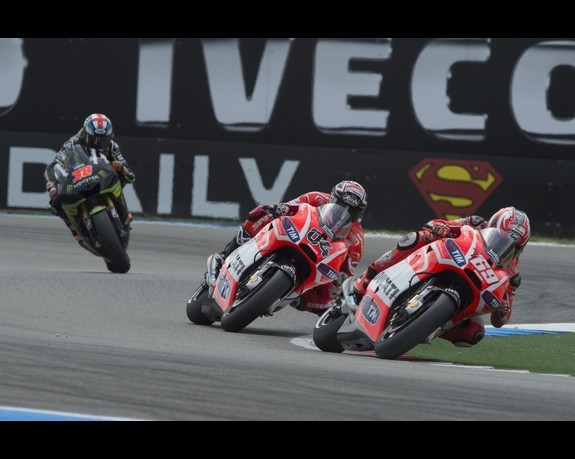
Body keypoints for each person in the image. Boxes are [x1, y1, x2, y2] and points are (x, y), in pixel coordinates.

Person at [352, 206, 530, 346]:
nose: (507, 248)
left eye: (514, 247)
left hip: (469, 288)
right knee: (417, 238)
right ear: (492, 226)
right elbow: (437, 223)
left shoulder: (512, 273)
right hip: (444, 259)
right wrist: (441, 228)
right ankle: (367, 277)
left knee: (473, 333)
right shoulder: (475, 224)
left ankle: (422, 329)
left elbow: (501, 318)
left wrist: (503, 308)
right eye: (501, 239)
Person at [207, 180, 368, 316]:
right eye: (340, 205)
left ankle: (297, 301)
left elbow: (346, 271)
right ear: (332, 198)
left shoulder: (356, 239)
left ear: (359, 215)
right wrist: (277, 209)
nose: (344, 213)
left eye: (352, 212)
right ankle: (226, 253)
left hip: (318, 260)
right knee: (263, 213)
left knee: (328, 300)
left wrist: (340, 282)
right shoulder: (316, 198)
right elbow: (289, 208)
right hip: (294, 234)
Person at [44, 113, 135, 239]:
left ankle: (122, 211)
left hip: (103, 174)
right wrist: (52, 184)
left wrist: (122, 169)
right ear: (86, 135)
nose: (99, 143)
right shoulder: (71, 144)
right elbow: (53, 165)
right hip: (79, 176)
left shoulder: (112, 146)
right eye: (95, 139)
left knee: (121, 176)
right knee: (54, 202)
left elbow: (130, 176)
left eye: (104, 139)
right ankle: (73, 228)